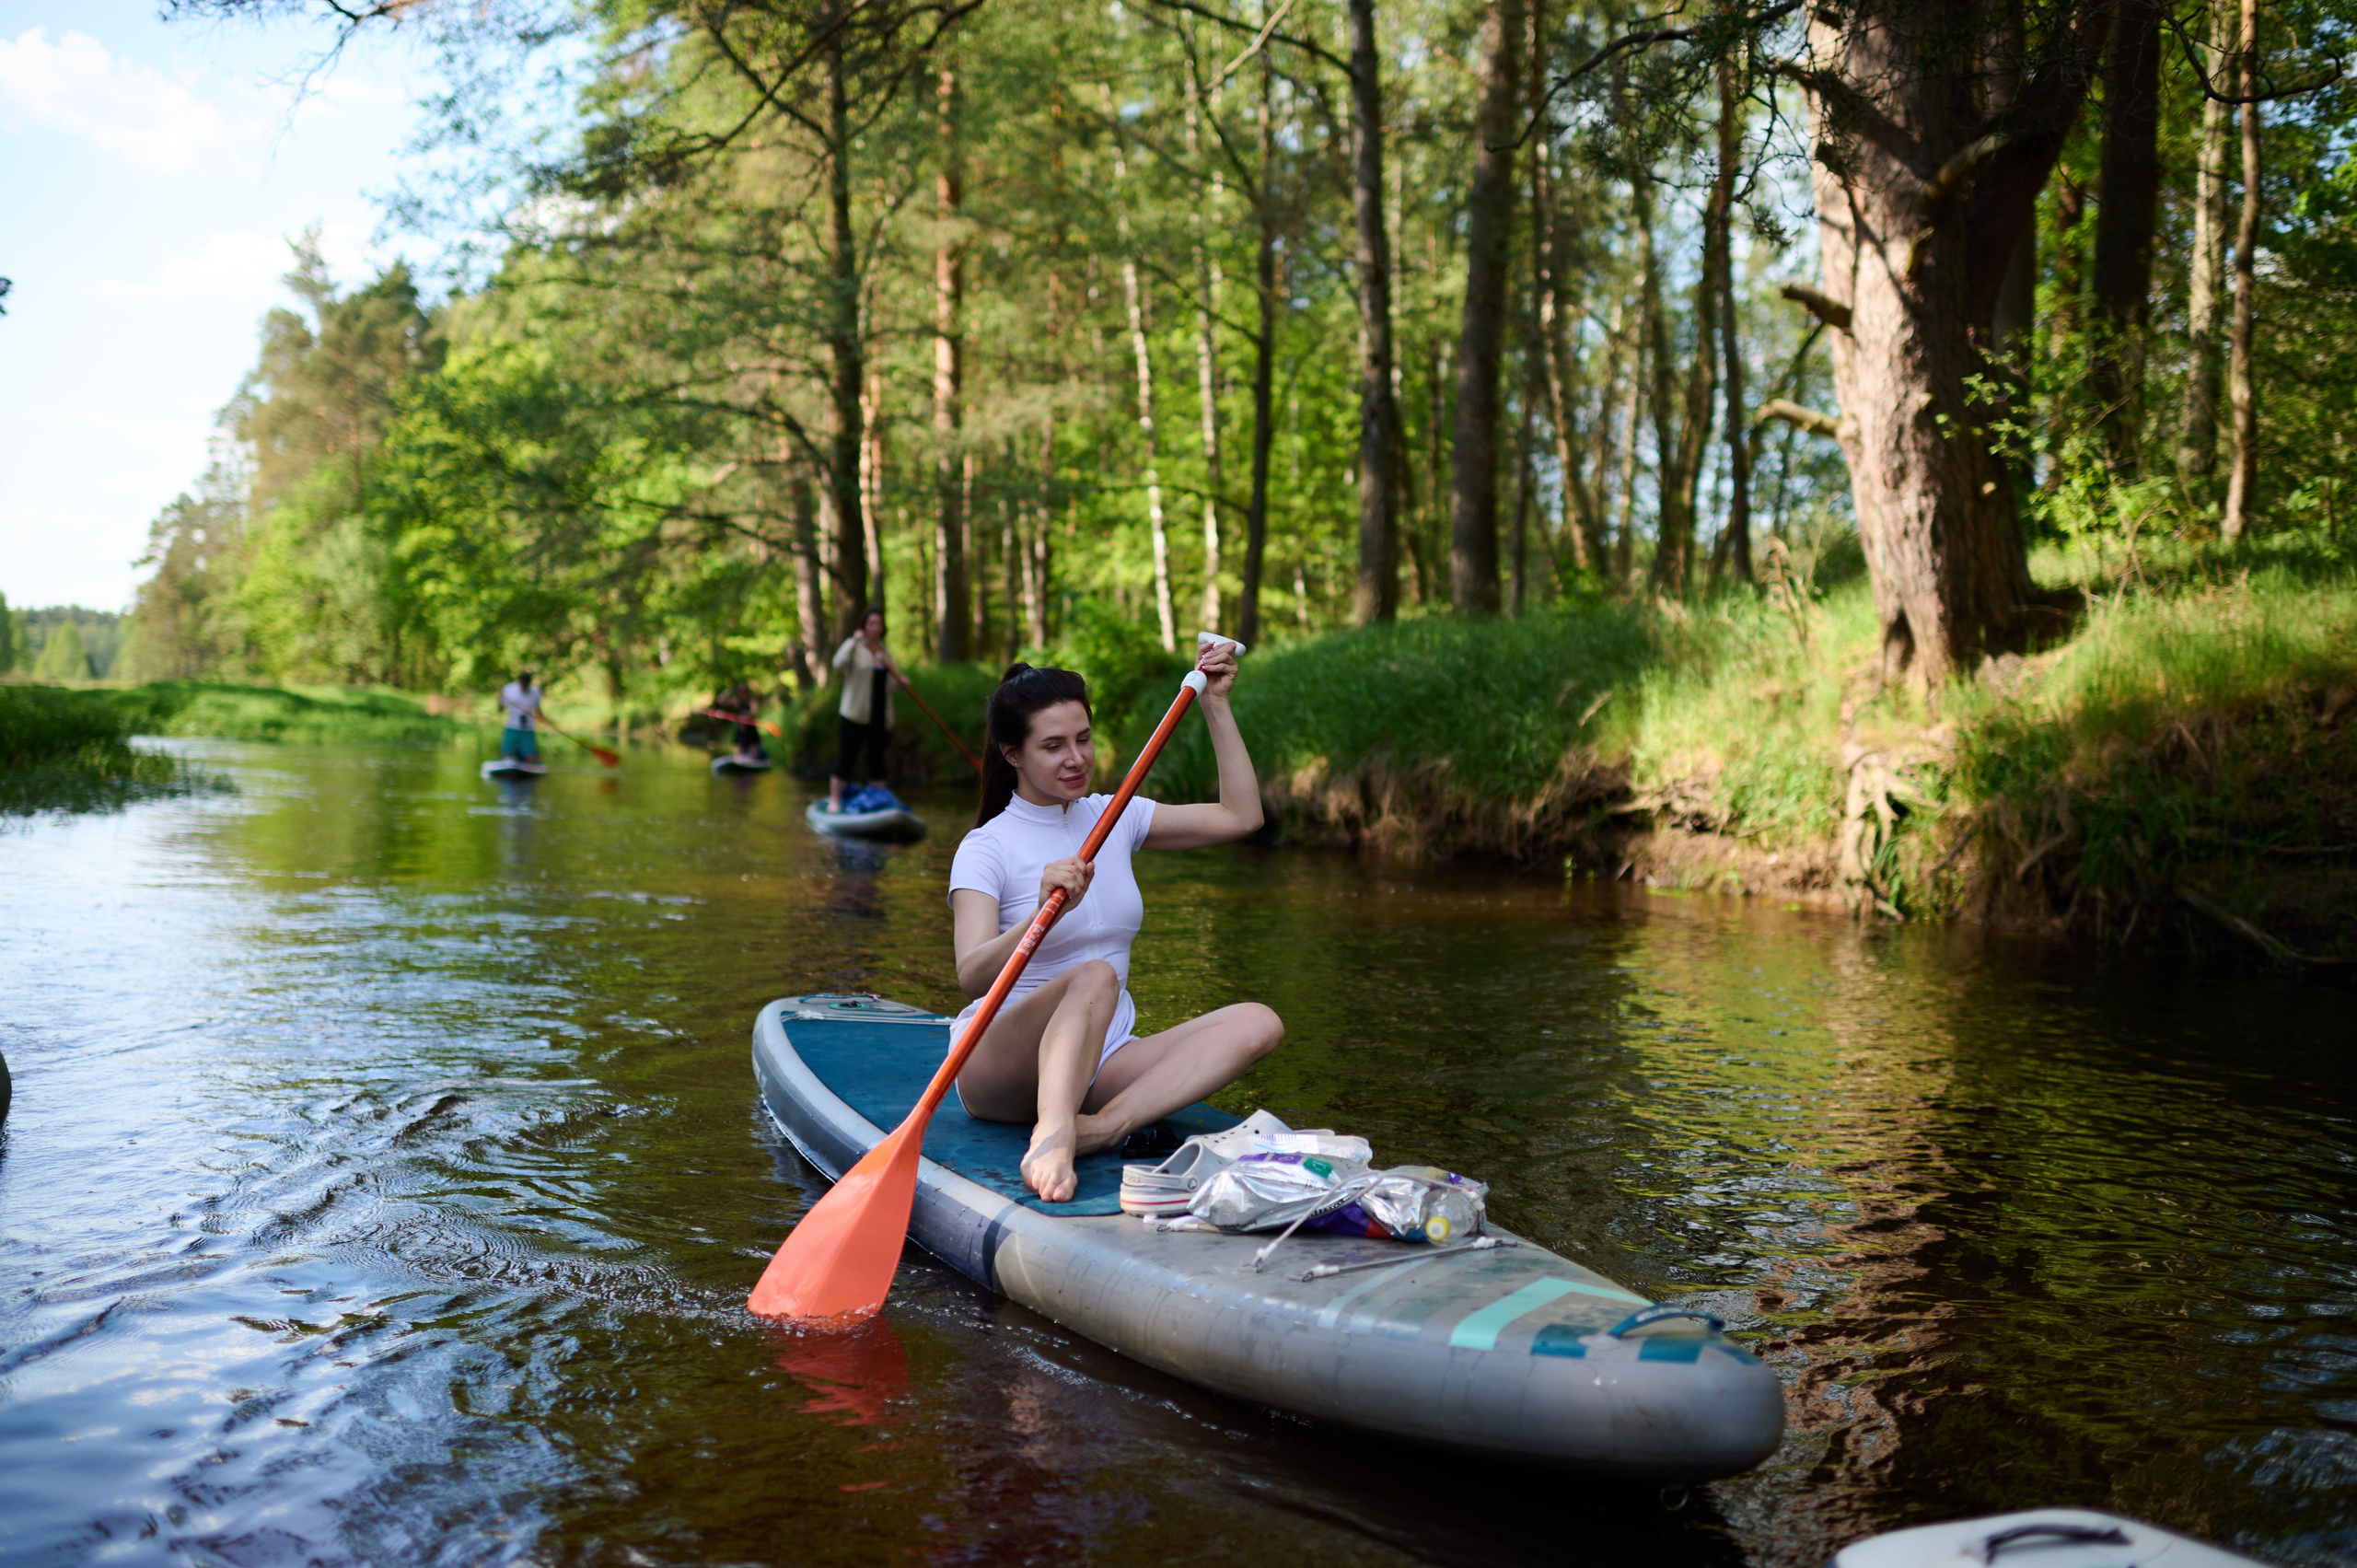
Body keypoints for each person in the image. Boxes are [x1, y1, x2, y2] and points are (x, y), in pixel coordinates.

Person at [947, 639, 1282, 1202]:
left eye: (1083, 739)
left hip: (1099, 1059)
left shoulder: (1115, 814)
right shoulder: (986, 847)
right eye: (1053, 746)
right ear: (1013, 754)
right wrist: (1040, 914)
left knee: (1258, 1022)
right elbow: (973, 974)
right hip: (997, 1065)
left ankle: (1102, 1128)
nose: (1076, 758)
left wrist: (1216, 706)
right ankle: (1051, 1135)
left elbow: (1241, 816)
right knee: (1095, 975)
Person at [829, 607, 895, 810]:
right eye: (871, 623)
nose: (875, 627)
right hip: (854, 714)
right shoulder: (854, 647)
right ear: (864, 626)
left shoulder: (883, 650)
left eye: (878, 624)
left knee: (877, 760)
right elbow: (838, 664)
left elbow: (892, 682)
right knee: (847, 756)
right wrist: (852, 642)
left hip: (879, 716)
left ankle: (879, 802)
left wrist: (901, 682)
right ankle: (835, 801)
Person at [497, 669, 547, 762]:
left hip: (528, 729)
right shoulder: (509, 689)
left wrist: (546, 721)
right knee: (506, 754)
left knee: (531, 757)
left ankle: (528, 765)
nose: (524, 685)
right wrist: (500, 700)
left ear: (529, 682)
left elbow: (538, 710)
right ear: (519, 681)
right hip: (512, 727)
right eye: (523, 682)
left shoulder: (535, 692)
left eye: (526, 682)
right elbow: (500, 708)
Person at [714, 679, 767, 763]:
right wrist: (729, 690)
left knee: (754, 754)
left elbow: (754, 712)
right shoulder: (736, 701)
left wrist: (744, 716)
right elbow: (720, 700)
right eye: (741, 692)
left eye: (745, 691)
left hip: (751, 730)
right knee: (738, 753)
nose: (743, 694)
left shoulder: (751, 701)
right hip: (740, 731)